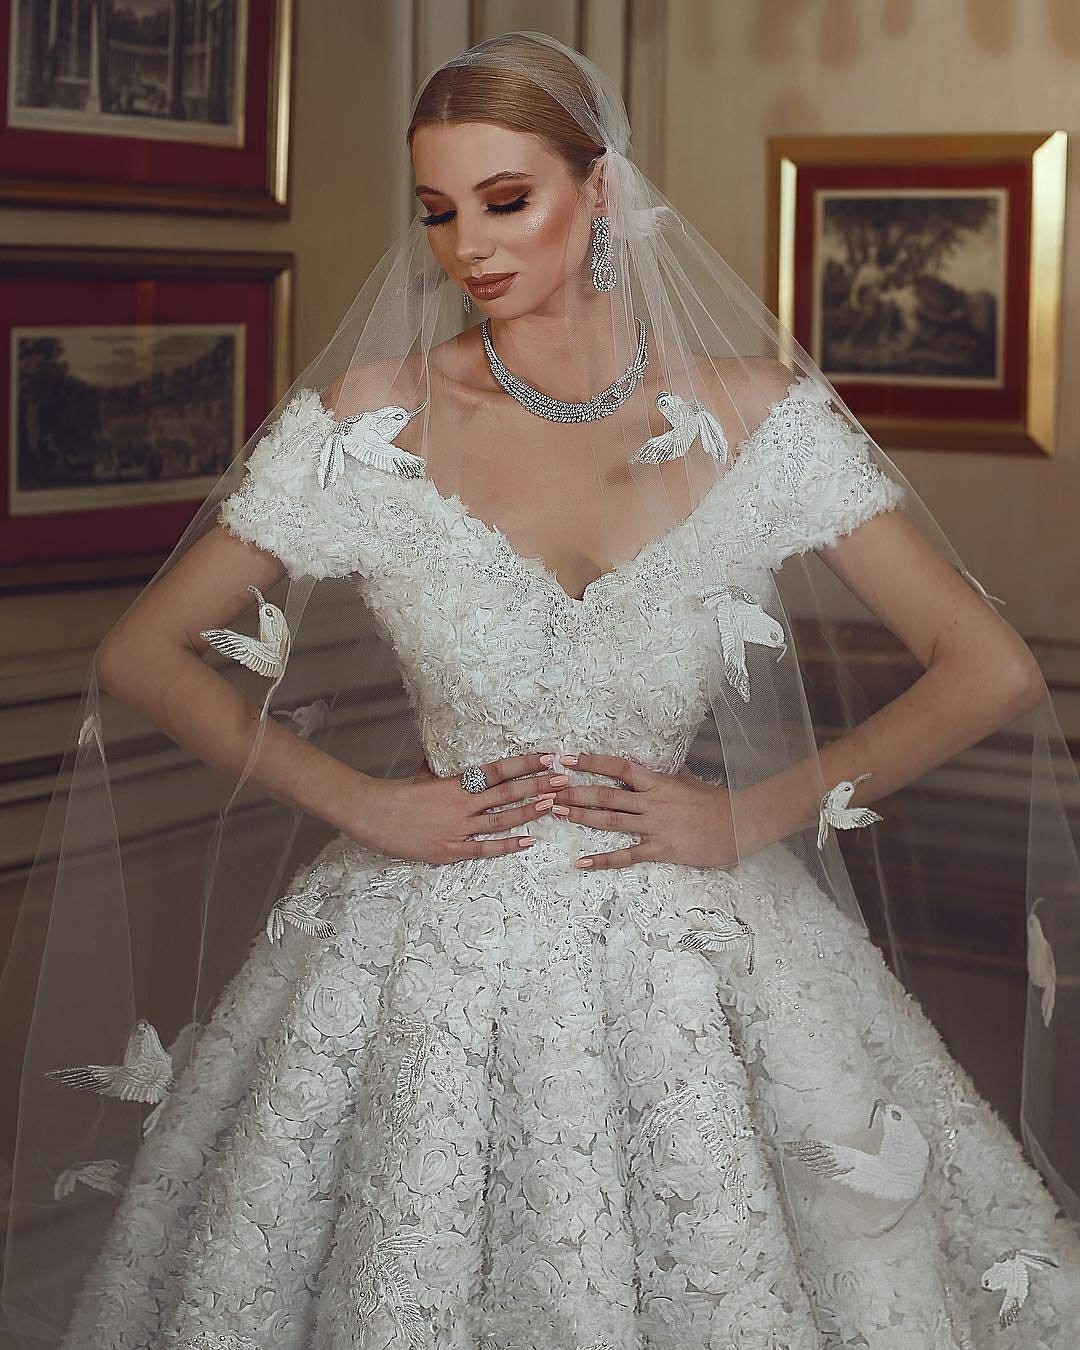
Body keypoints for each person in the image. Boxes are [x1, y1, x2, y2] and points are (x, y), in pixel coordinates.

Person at [2, 30, 1079, 1350]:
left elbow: (990, 667)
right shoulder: (378, 417)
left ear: (602, 187)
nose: (470, 245)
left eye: (508, 200)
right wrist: (360, 801)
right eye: (439, 211)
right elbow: (142, 652)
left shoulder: (755, 417)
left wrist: (750, 814)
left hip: (695, 945)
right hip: (424, 955)